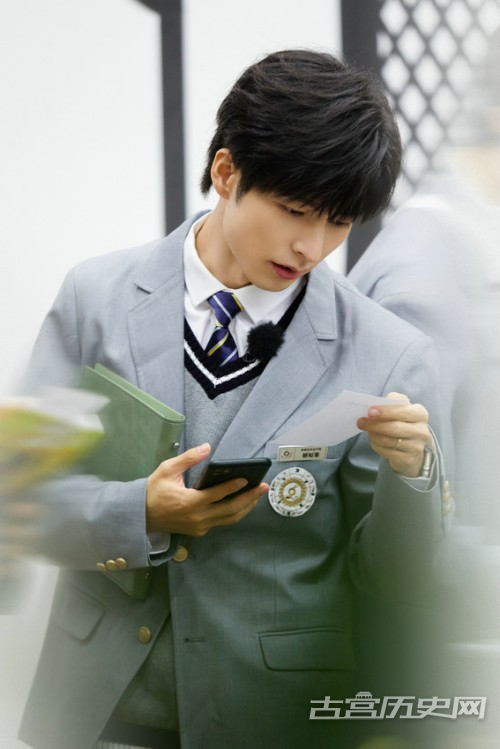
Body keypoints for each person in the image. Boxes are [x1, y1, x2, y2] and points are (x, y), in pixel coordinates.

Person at [19, 50, 447, 749]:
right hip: (97, 713)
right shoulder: (95, 300)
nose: (311, 246)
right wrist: (140, 513)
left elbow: (398, 584)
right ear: (226, 172)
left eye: (339, 222)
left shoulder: (390, 354)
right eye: (294, 211)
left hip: (273, 718)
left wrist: (415, 477)